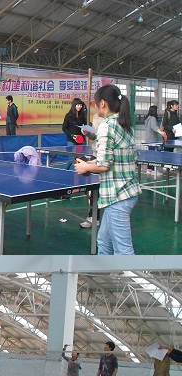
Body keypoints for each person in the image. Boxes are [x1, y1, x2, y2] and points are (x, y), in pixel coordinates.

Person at [75, 85, 140, 255]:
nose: (95, 107)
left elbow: (104, 165)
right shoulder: (125, 124)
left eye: (95, 103)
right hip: (127, 192)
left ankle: (129, 274)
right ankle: (106, 271)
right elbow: (118, 156)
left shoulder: (107, 126)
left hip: (117, 196)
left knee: (124, 251)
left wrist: (85, 166)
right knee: (103, 243)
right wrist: (92, 162)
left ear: (102, 103)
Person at [79, 108, 106, 229]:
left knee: (102, 190)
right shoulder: (96, 116)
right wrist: (87, 133)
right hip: (96, 154)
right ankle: (94, 217)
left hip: (105, 156)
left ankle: (97, 217)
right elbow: (94, 136)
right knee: (95, 190)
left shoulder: (114, 119)